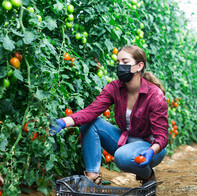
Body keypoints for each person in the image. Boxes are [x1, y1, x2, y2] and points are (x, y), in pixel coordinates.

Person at [50, 45, 168, 185]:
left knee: (122, 156)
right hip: (125, 140)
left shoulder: (155, 95)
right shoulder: (114, 88)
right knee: (90, 122)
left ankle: (148, 175)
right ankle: (93, 177)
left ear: (139, 66)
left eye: (125, 62)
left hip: (151, 146)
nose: (120, 66)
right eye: (118, 63)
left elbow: (162, 137)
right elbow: (91, 111)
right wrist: (62, 122)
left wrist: (150, 151)